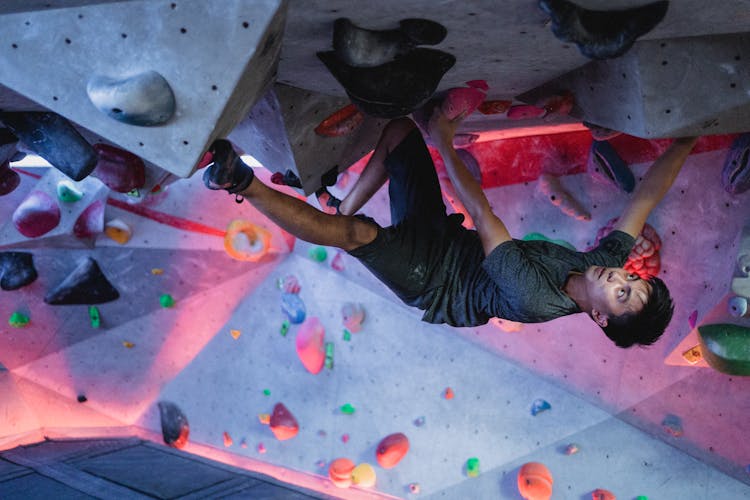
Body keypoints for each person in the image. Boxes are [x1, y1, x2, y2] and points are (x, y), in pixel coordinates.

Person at [203, 107, 698, 348]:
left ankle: (240, 181)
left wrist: (443, 136)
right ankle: (338, 204)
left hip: (432, 281)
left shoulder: (535, 299)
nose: (621, 279)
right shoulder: (601, 266)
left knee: (358, 238)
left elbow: (484, 213)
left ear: (601, 319)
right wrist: (684, 143)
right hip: (448, 241)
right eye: (633, 280)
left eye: (623, 296)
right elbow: (646, 198)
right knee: (398, 131)